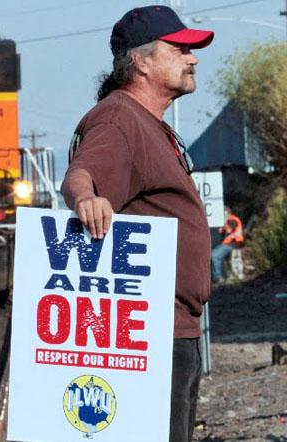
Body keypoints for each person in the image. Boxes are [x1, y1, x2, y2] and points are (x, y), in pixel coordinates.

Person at [61, 6, 214, 442]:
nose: (193, 57)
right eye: (180, 48)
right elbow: (81, 174)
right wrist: (86, 199)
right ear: (141, 61)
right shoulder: (119, 119)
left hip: (171, 328)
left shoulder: (145, 123)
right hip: (150, 334)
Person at [211, 207, 244, 283]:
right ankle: (222, 277)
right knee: (214, 253)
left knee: (215, 255)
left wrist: (224, 223)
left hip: (233, 243)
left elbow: (230, 229)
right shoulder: (227, 221)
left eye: (223, 213)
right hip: (229, 243)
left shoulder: (232, 219)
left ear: (227, 213)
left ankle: (218, 277)